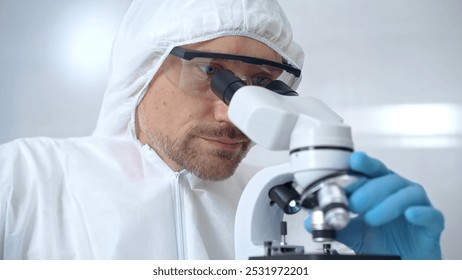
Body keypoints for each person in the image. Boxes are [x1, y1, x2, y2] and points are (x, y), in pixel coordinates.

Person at [0, 0, 444, 260]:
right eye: (211, 71)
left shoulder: (300, 210)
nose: (234, 114)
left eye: (261, 84)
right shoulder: (23, 179)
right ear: (142, 69)